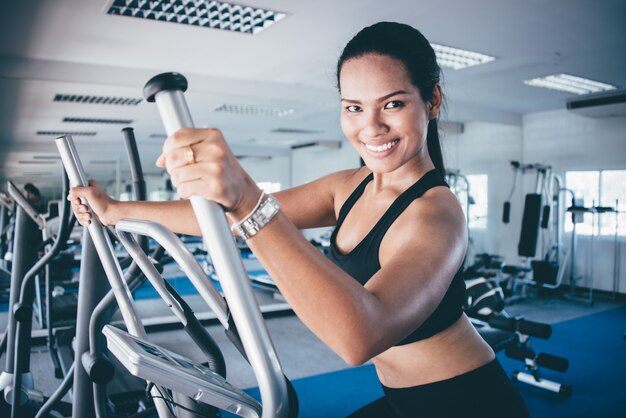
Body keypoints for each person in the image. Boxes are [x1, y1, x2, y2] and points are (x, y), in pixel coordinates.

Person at [69, 21, 529, 418]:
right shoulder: (349, 186)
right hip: (399, 398)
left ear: (431, 101)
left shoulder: (436, 212)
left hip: (465, 400)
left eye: (392, 104)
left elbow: (360, 336)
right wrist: (114, 210)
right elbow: (218, 215)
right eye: (354, 107)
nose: (370, 127)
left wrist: (249, 199)